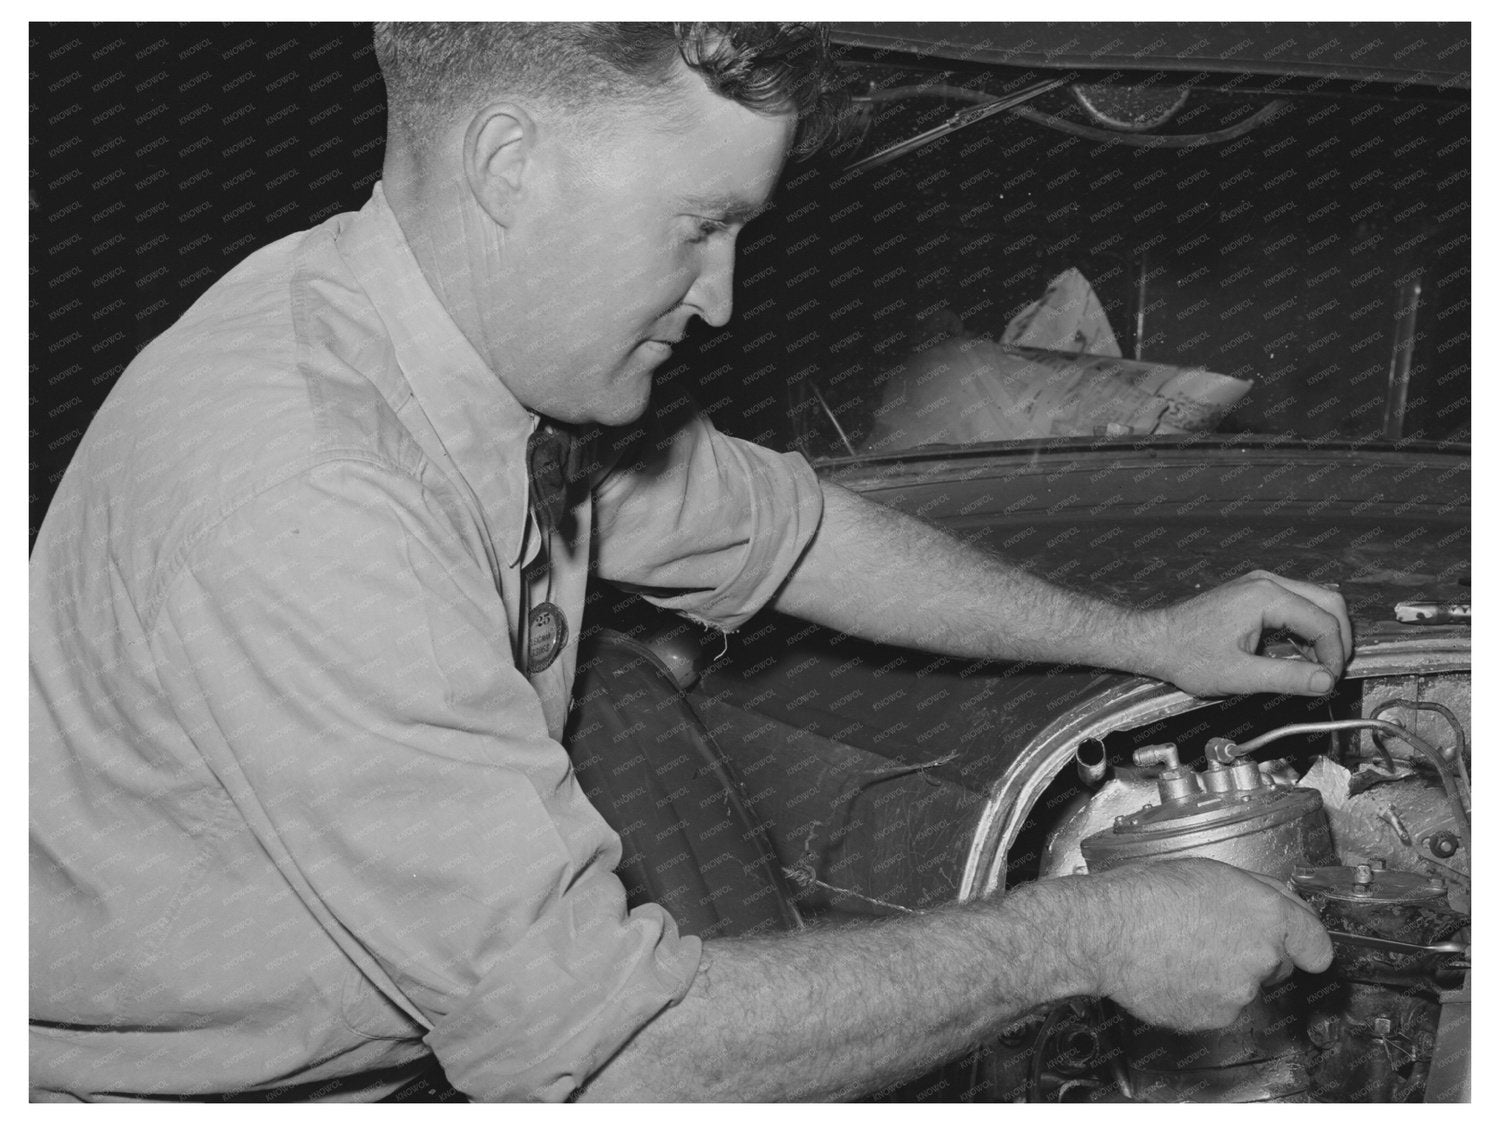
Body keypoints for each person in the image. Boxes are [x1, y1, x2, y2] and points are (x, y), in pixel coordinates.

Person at [30, 23, 1348, 1102]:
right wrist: (1086, 938)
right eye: (697, 227)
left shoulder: (478, 362)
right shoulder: (311, 498)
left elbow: (794, 533)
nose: (720, 295)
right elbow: (614, 1056)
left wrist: (1144, 637)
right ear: (510, 164)